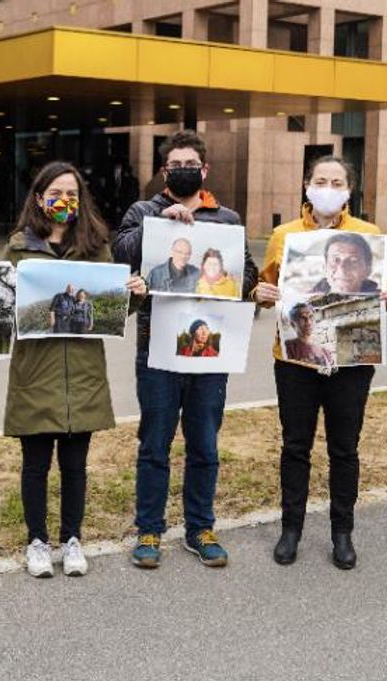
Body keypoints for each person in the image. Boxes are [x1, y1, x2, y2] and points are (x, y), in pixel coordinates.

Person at [254, 155, 387, 568]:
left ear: (348, 189)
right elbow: (266, 285)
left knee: (345, 449)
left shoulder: (369, 235)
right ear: (307, 185)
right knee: (295, 446)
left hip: (352, 362)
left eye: (336, 181)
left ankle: (342, 532)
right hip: (295, 361)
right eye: (320, 180)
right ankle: (291, 529)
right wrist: (260, 293)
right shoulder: (284, 235)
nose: (328, 187)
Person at [114, 129, 257, 569]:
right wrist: (162, 225)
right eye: (174, 165)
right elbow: (120, 254)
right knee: (154, 443)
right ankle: (149, 531)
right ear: (163, 172)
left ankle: (200, 528)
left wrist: (242, 284)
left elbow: (247, 275)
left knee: (204, 445)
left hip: (210, 350)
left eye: (189, 164)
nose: (182, 170)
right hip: (156, 349)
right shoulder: (144, 211)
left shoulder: (227, 220)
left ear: (205, 169)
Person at [3, 161, 146, 578]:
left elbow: (110, 311)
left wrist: (134, 296)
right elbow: (5, 309)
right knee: (34, 464)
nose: (64, 201)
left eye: (72, 194)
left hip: (82, 373)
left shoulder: (97, 246)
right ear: (38, 198)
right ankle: (36, 541)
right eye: (55, 193)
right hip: (35, 371)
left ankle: (71, 539)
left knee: (75, 464)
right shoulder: (18, 247)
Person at [309, 232, 380, 295]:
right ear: (324, 268)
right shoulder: (305, 302)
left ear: (368, 270)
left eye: (353, 261)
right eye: (335, 260)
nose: (342, 269)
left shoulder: (382, 300)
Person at [281, 303, 334, 367]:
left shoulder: (325, 352)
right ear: (293, 324)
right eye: (303, 318)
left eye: (311, 317)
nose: (308, 322)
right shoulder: (288, 348)